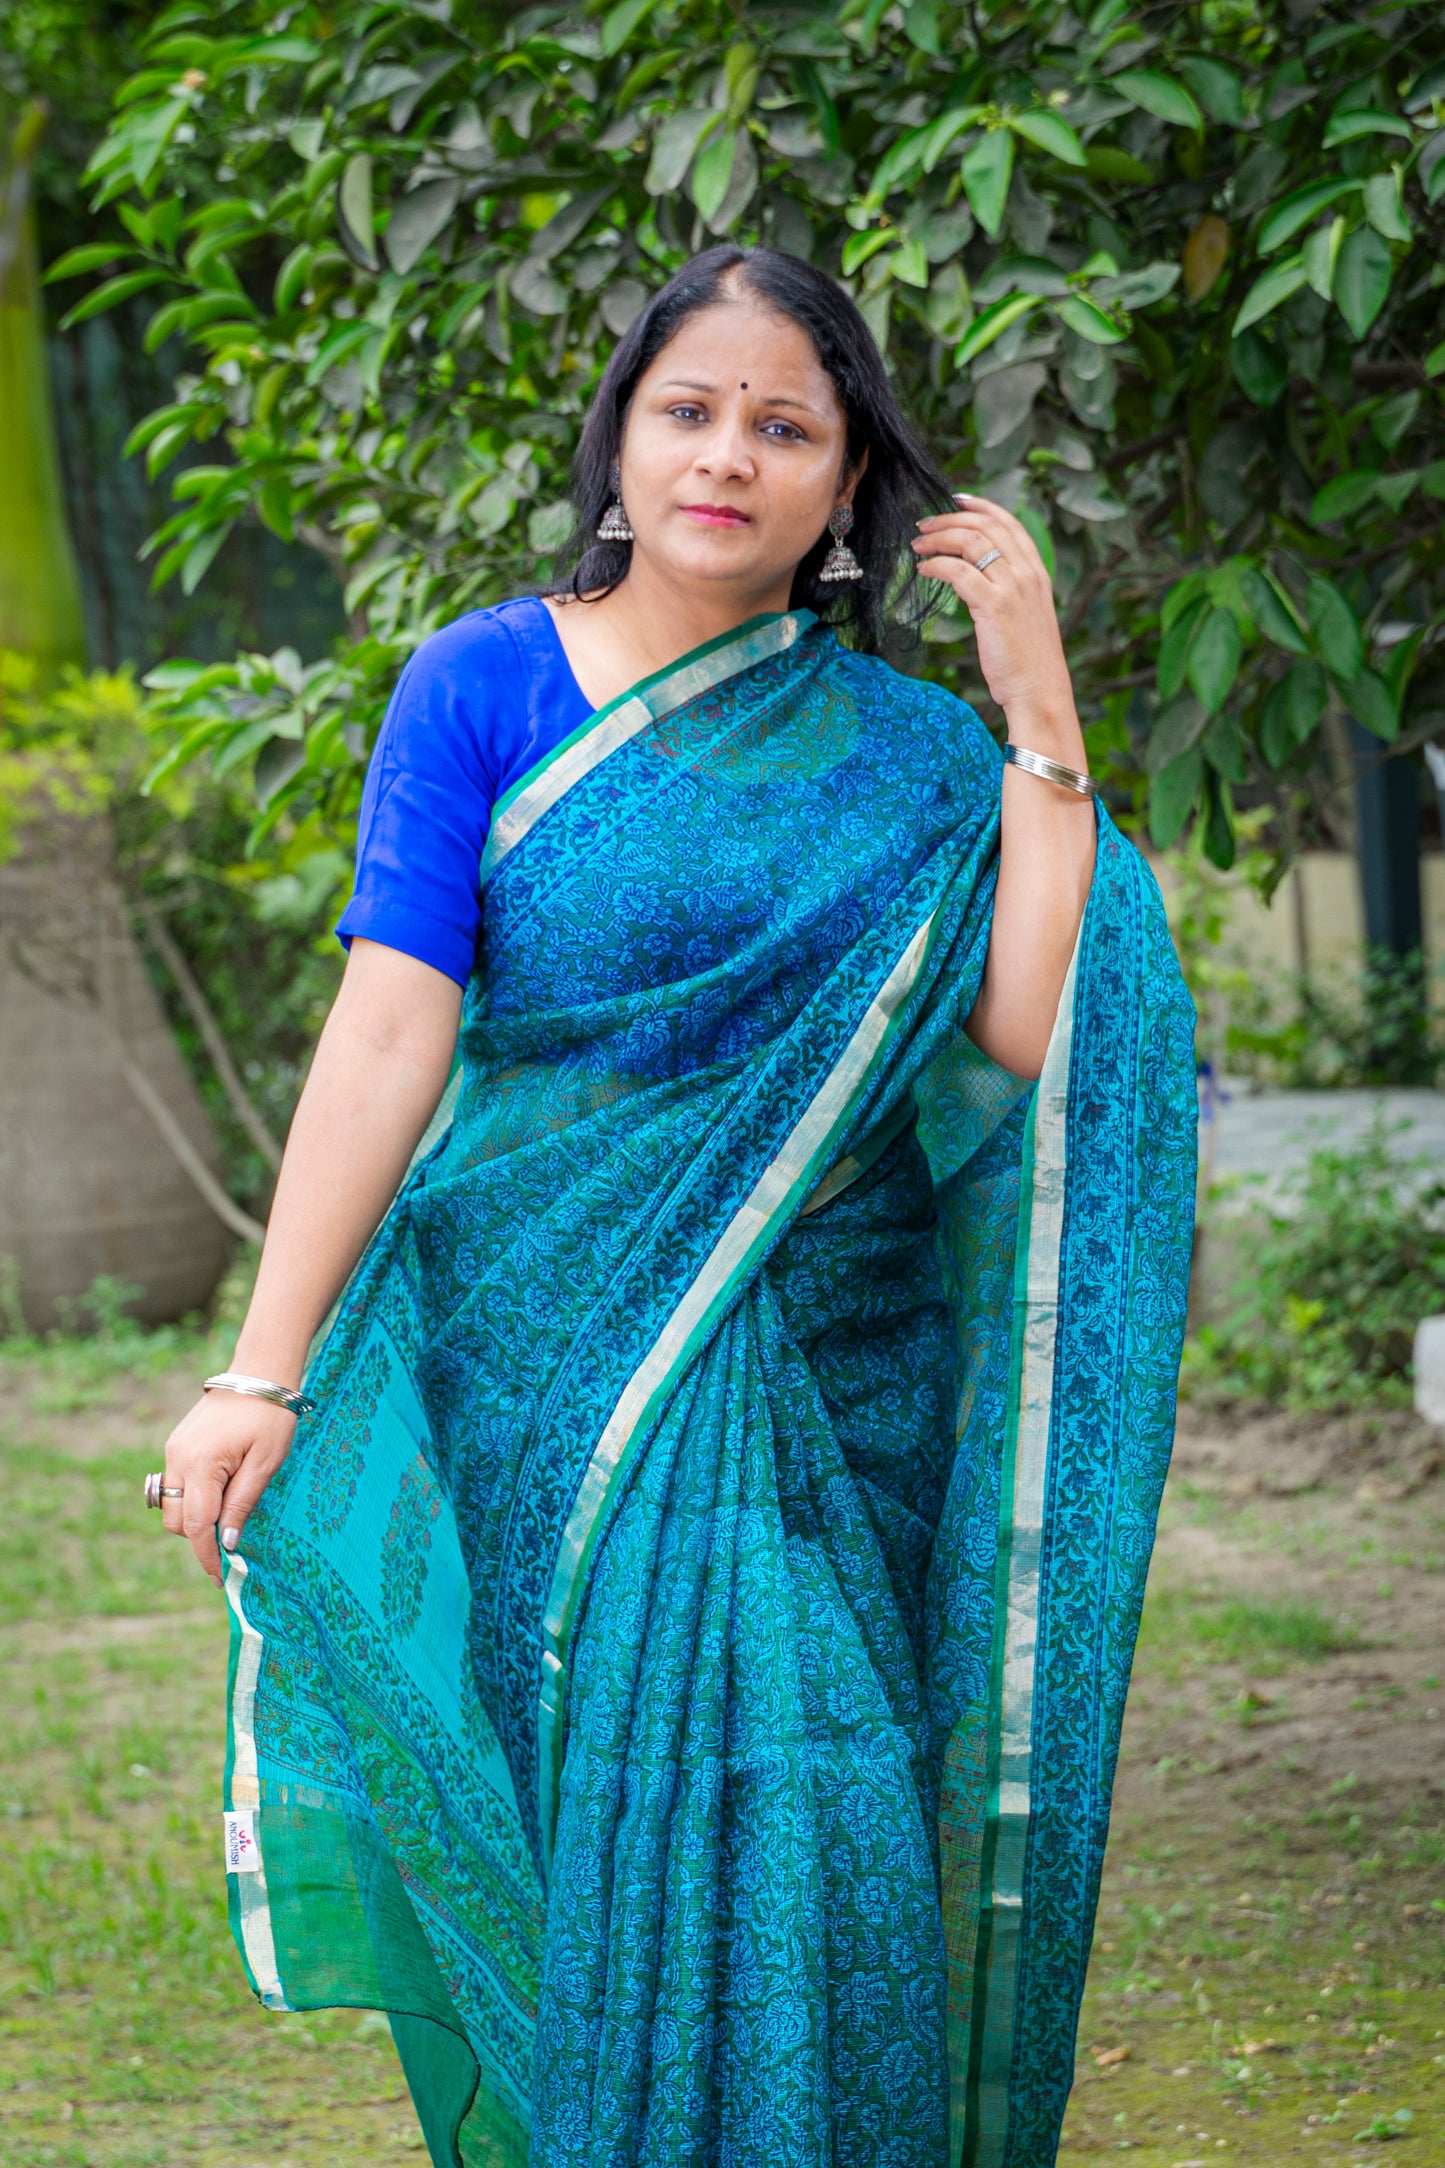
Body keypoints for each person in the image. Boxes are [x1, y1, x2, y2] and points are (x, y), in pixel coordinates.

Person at [151, 245, 1196, 2168]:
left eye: (784, 426)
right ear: (620, 438)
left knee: (830, 1829)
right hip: (551, 1365)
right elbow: (389, 1028)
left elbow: (1019, 1031)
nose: (728, 456)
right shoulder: (482, 681)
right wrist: (263, 1371)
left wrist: (1033, 707)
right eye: (689, 409)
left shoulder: (909, 754)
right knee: (613, 1857)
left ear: (845, 483)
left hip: (835, 1378)